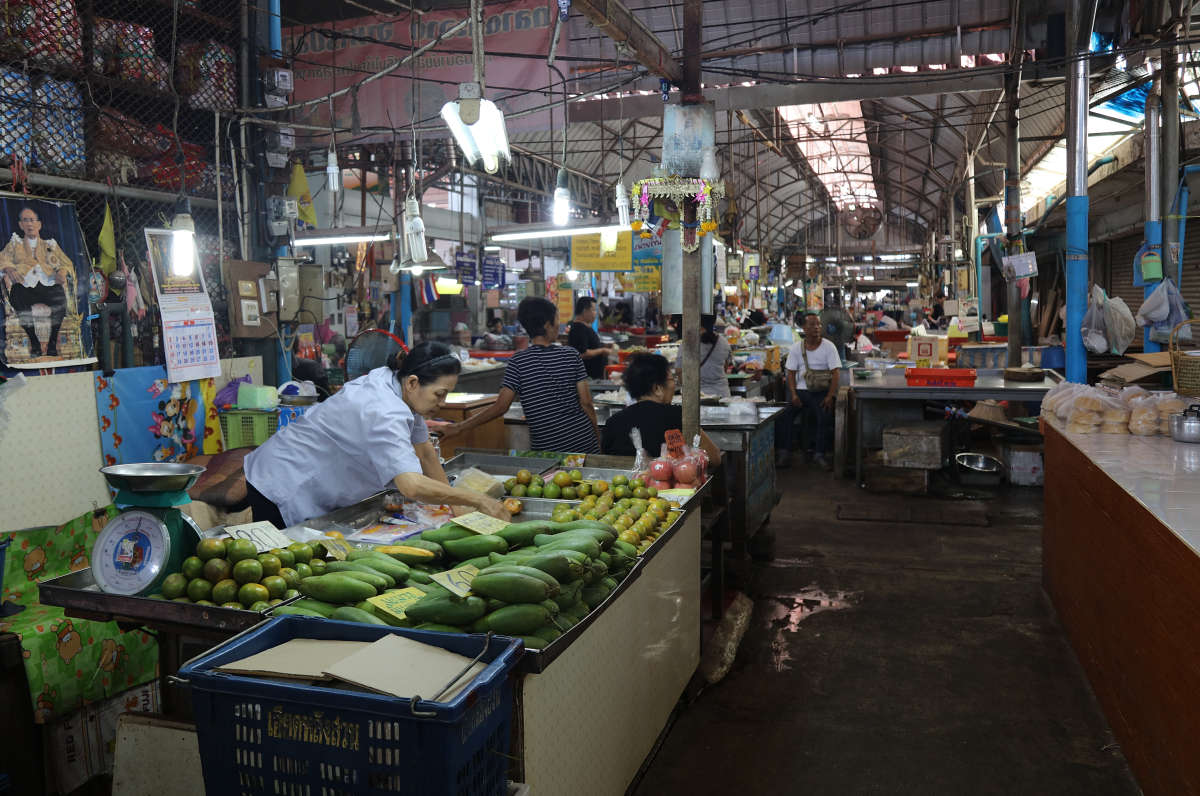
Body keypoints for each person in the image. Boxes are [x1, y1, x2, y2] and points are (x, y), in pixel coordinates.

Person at [243, 341, 511, 527]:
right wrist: (476, 499)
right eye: (439, 394)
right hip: (282, 483)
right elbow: (412, 485)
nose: (441, 402)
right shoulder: (384, 410)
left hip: (306, 475)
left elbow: (426, 453)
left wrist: (458, 509)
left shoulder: (399, 386)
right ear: (413, 382)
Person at [442, 296, 600, 452]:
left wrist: (460, 427)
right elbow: (586, 403)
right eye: (556, 319)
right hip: (582, 442)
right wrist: (597, 437)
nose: (558, 325)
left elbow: (500, 407)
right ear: (547, 324)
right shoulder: (571, 355)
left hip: (547, 450)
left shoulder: (518, 361)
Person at [602, 353, 722, 462]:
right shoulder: (677, 416)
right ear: (657, 389)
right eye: (672, 379)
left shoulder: (612, 422)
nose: (674, 385)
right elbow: (714, 457)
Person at [0, 205, 74, 357]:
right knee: (17, 294)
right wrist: (9, 269)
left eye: (32, 220)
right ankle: (34, 342)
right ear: (21, 225)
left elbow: (67, 263)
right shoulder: (15, 243)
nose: (29, 224)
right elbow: (2, 258)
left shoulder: (50, 244)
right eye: (25, 220)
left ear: (39, 224)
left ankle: (52, 343)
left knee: (60, 296)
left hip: (48, 285)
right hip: (26, 286)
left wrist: (62, 271)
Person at [784, 312, 842, 469]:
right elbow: (791, 373)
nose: (816, 328)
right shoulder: (796, 348)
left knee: (824, 416)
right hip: (802, 391)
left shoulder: (829, 347)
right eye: (812, 324)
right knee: (786, 415)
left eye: (818, 324)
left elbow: (836, 373)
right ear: (804, 328)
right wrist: (794, 394)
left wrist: (830, 395)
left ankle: (819, 454)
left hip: (822, 392)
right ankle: (786, 452)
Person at [674, 314, 731, 398]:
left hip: (697, 397)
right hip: (722, 395)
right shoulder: (724, 342)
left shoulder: (688, 342)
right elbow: (725, 367)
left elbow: (679, 371)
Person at [567, 296, 611, 381]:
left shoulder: (585, 326)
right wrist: (602, 350)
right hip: (588, 379)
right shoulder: (578, 328)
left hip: (595, 377)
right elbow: (582, 354)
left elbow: (590, 345)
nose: (596, 313)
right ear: (585, 311)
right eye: (594, 310)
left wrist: (603, 346)